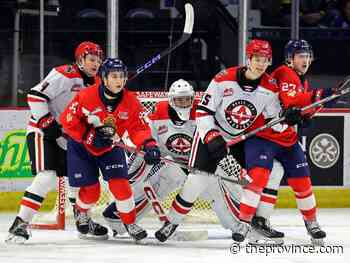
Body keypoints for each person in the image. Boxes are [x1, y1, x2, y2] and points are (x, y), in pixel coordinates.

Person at [102, 79, 284, 243]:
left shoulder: (203, 113)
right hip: (172, 165)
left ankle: (241, 224)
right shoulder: (157, 113)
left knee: (217, 186)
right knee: (155, 180)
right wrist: (142, 160)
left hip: (202, 165)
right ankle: (119, 217)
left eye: (187, 100)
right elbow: (144, 140)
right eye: (179, 100)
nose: (184, 104)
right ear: (171, 101)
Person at [154, 39, 294, 242]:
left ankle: (260, 222)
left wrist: (288, 119)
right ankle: (172, 222)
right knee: (196, 182)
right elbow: (203, 110)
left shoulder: (271, 87)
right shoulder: (223, 78)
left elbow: (273, 121)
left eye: (265, 60)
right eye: (257, 59)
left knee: (276, 171)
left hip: (239, 141)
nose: (261, 64)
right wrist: (211, 137)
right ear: (248, 59)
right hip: (210, 136)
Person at [235, 39, 338, 245]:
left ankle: (311, 223)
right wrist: (320, 95)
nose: (306, 60)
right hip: (263, 136)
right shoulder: (285, 73)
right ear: (289, 59)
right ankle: (244, 223)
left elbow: (298, 109)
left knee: (302, 182)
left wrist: (312, 111)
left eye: (307, 55)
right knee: (260, 177)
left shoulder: (301, 79)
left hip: (285, 138)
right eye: (301, 55)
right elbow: (292, 102)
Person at [6, 41, 103, 244]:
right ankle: (20, 223)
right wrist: (47, 122)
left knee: (78, 180)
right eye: (92, 59)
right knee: (47, 176)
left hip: (68, 137)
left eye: (99, 60)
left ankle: (82, 219)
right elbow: (35, 95)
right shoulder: (66, 74)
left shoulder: (95, 85)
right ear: (80, 60)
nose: (96, 63)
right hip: (43, 132)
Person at [59, 58, 161, 241]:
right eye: (114, 76)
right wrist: (88, 136)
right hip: (82, 148)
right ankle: (81, 211)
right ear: (104, 78)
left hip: (110, 146)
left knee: (121, 187)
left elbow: (139, 128)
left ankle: (129, 223)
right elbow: (68, 120)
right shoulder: (86, 96)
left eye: (121, 76)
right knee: (91, 192)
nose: (119, 80)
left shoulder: (130, 101)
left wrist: (149, 145)